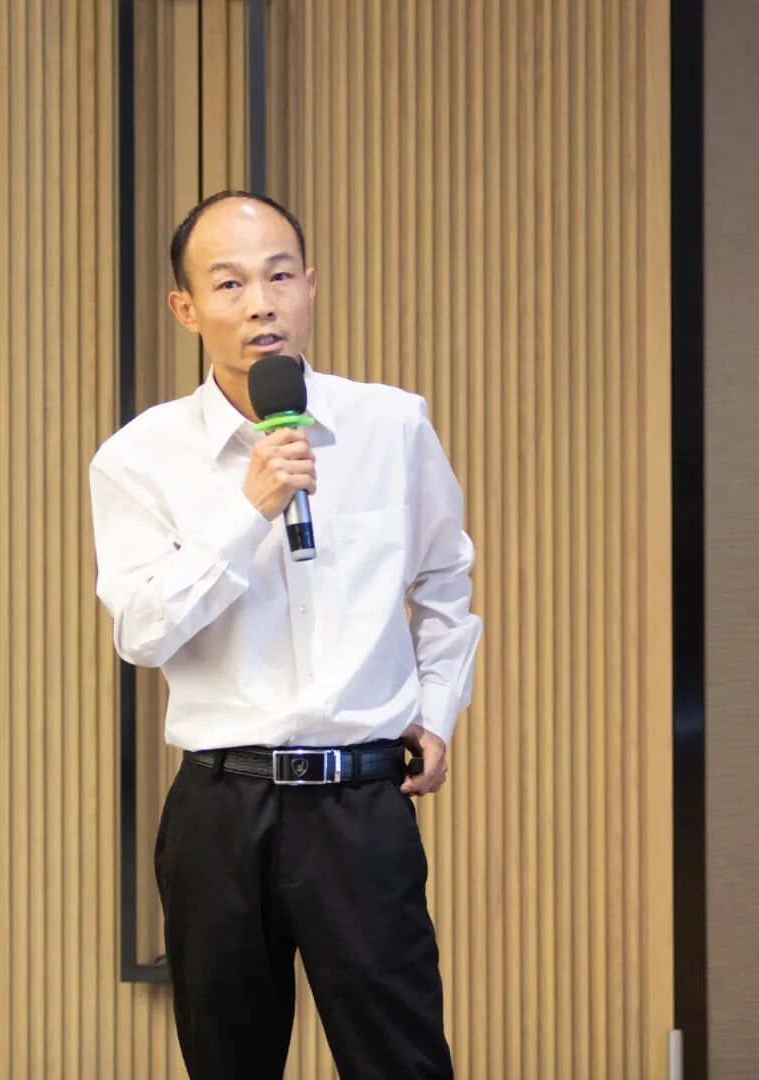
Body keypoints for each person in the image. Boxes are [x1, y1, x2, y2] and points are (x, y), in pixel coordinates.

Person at [89, 190, 482, 1079]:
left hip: (361, 805)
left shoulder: (392, 424)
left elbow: (445, 583)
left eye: (278, 277)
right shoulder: (139, 457)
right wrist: (248, 511)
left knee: (403, 1062)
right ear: (186, 308)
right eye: (230, 284)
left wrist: (437, 710)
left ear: (311, 286)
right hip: (221, 810)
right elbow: (142, 632)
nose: (261, 303)